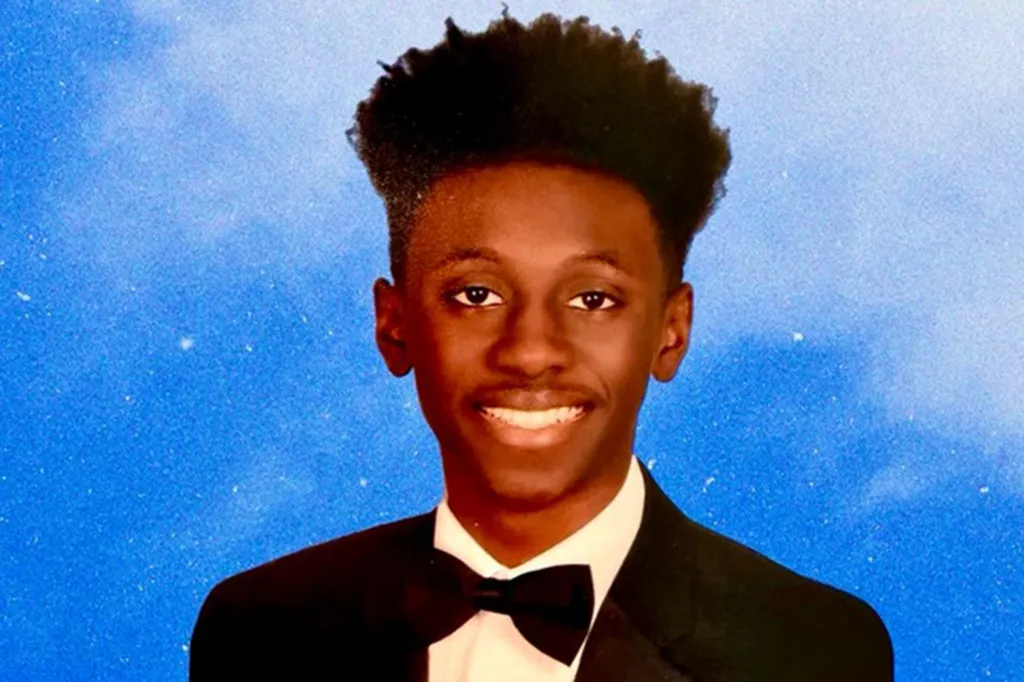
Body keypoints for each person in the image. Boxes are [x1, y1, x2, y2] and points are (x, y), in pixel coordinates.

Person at [189, 9, 893, 681]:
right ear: (393, 324)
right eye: (476, 295)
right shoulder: (259, 631)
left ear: (671, 330)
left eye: (593, 300)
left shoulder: (811, 650)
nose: (530, 352)